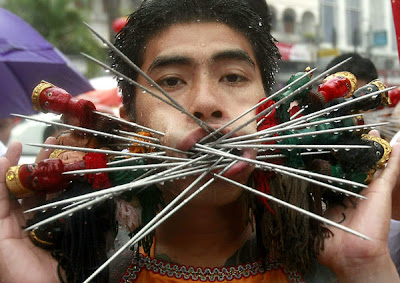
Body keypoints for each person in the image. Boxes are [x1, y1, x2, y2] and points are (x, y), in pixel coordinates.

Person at [1, 1, 400, 282]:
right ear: (129, 122)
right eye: (171, 81)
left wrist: (364, 268)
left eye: (233, 77)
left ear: (270, 110)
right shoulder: (85, 271)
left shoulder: (343, 259)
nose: (206, 104)